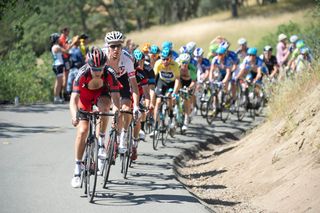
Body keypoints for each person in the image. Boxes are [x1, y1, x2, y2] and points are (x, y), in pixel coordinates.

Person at [69, 47, 121, 188]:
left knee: (105, 109)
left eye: (100, 68)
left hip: (101, 95)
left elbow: (116, 98)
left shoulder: (109, 73)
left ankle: (101, 141)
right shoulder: (81, 74)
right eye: (94, 69)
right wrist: (74, 116)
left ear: (104, 65)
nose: (97, 72)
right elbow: (73, 99)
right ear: (89, 65)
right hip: (84, 99)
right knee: (82, 131)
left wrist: (117, 113)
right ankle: (77, 170)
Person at [103, 31, 140, 154]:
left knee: (126, 107)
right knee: (112, 109)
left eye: (118, 46)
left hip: (123, 80)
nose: (116, 49)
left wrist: (136, 106)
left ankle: (123, 136)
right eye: (112, 46)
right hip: (107, 79)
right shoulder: (103, 58)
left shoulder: (127, 59)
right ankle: (109, 140)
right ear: (107, 46)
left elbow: (134, 85)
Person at [151, 47, 180, 137]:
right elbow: (154, 77)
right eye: (163, 59)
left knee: (169, 97)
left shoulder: (175, 65)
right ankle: (155, 128)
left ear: (171, 58)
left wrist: (175, 92)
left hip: (171, 83)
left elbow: (178, 80)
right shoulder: (158, 63)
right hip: (162, 82)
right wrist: (152, 90)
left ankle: (171, 117)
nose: (165, 61)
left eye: (167, 59)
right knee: (158, 102)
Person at [50, 33, 76, 104]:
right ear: (56, 39)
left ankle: (57, 97)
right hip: (58, 65)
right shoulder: (56, 47)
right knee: (58, 83)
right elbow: (66, 51)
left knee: (59, 82)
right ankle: (56, 97)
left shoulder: (55, 46)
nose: (59, 40)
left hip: (58, 65)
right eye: (58, 38)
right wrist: (73, 43)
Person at [177, 53, 197, 131]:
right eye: (183, 62)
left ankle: (186, 120)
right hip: (180, 81)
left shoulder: (191, 69)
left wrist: (189, 88)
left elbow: (194, 82)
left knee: (187, 99)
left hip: (189, 83)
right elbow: (176, 80)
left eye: (186, 63)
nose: (184, 65)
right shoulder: (177, 67)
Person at [58, 27, 72, 100]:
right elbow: (66, 49)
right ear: (64, 31)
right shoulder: (61, 39)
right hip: (64, 58)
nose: (68, 33)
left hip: (66, 58)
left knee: (66, 76)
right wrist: (71, 44)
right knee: (65, 76)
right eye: (67, 31)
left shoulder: (65, 38)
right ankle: (63, 93)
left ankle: (64, 92)